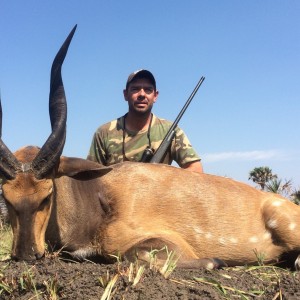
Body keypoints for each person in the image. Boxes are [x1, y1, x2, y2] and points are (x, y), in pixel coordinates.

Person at [87, 69, 203, 173]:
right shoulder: (104, 133)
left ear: (155, 96)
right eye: (135, 89)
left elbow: (196, 169)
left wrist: (162, 181)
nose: (142, 94)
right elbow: (90, 178)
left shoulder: (171, 130)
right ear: (125, 94)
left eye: (148, 90)